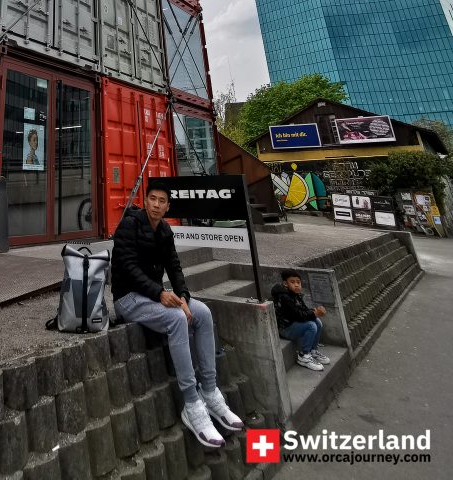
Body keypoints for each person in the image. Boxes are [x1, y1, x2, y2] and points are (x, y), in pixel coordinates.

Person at [111, 179, 244, 448]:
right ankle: (192, 404)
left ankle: (209, 391)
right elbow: (127, 266)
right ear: (145, 201)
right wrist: (160, 293)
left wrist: (183, 296)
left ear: (168, 206)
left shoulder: (165, 232)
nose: (157, 205)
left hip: (153, 296)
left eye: (162, 201)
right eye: (153, 200)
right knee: (175, 318)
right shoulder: (129, 225)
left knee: (203, 313)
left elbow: (174, 266)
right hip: (128, 299)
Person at [271, 268, 331, 371]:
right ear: (285, 284)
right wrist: (314, 313)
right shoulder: (285, 297)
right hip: (285, 328)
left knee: (318, 322)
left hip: (294, 324)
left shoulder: (295, 294)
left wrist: (314, 311)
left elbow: (304, 310)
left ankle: (313, 351)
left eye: (298, 282)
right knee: (311, 326)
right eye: (292, 282)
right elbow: (298, 316)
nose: (296, 285)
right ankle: (304, 356)